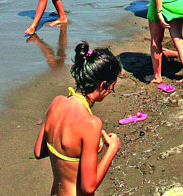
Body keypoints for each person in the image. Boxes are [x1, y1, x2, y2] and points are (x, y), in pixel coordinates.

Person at [34, 41, 121, 196]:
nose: (110, 91)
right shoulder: (91, 124)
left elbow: (39, 152)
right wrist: (113, 148)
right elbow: (88, 187)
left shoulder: (57, 103)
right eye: (111, 87)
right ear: (102, 85)